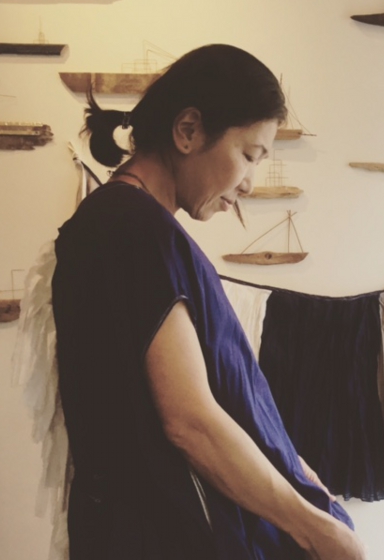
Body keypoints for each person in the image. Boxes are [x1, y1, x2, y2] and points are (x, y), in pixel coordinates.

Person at [52, 43, 366, 560]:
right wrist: (316, 531)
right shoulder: (130, 229)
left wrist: (300, 474)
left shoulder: (137, 228)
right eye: (249, 156)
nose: (249, 184)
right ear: (188, 130)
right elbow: (191, 422)